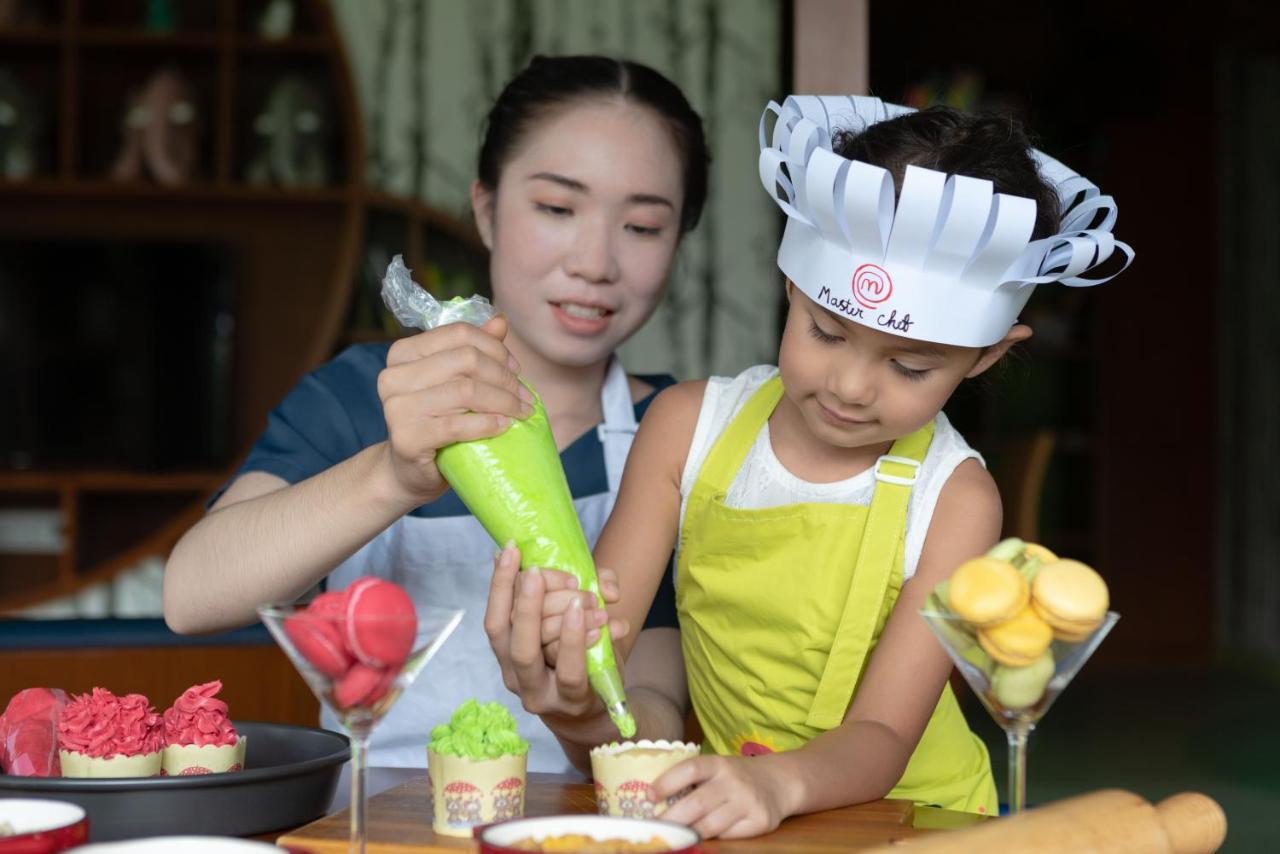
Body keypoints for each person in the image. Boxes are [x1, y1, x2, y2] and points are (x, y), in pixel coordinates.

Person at [484, 94, 1133, 837]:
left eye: (911, 367)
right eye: (825, 333)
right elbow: (610, 649)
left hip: (920, 820)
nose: (850, 388)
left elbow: (886, 736)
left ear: (988, 354)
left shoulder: (955, 498)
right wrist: (568, 671)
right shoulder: (686, 429)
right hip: (747, 811)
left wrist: (774, 782)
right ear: (791, 284)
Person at [163, 54, 710, 776]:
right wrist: (392, 474)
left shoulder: (677, 435)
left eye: (642, 226)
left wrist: (583, 711)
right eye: (556, 208)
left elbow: (654, 698)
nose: (595, 261)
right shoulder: (366, 394)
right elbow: (192, 595)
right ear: (485, 209)